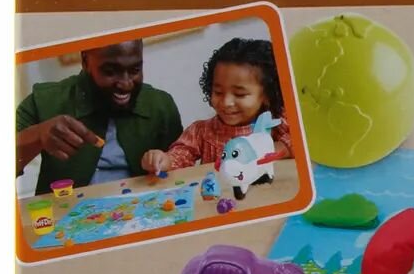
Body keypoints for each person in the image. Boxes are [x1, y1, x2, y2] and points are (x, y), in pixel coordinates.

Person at [16, 40, 183, 195]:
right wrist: (37, 136)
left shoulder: (160, 106)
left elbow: (181, 174)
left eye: (135, 71)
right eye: (110, 72)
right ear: (85, 61)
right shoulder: (45, 101)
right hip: (63, 214)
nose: (126, 84)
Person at [140, 38, 292, 173]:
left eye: (239, 94)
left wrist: (279, 148)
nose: (226, 102)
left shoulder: (277, 123)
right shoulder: (201, 131)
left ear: (267, 95)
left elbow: (299, 139)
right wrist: (163, 160)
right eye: (218, 92)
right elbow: (180, 156)